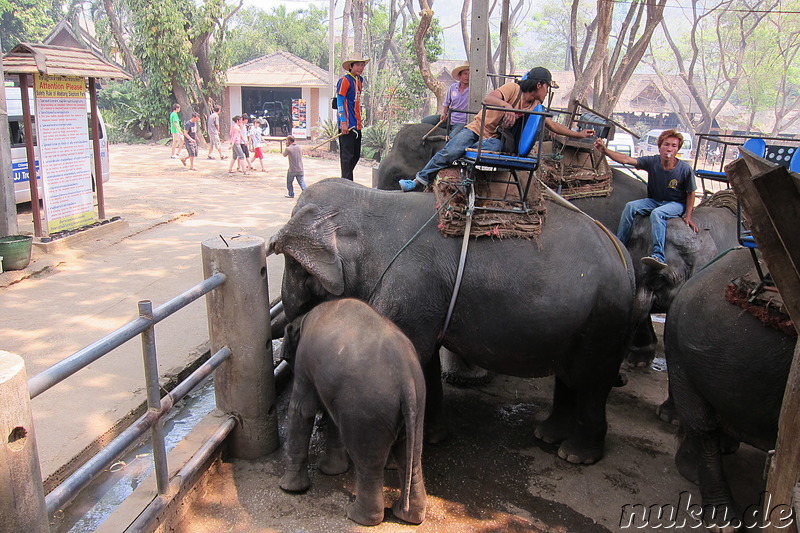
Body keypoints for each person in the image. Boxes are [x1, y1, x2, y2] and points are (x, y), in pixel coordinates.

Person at [399, 66, 596, 192]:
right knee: (451, 151)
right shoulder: (513, 89)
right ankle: (418, 180)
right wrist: (508, 107)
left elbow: (551, 124)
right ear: (539, 84)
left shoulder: (533, 107)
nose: (547, 92)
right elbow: (488, 99)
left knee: (492, 147)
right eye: (547, 87)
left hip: (494, 137)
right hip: (477, 128)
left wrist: (578, 134)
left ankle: (467, 158)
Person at [595, 129, 698, 269]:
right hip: (655, 200)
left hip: (675, 203)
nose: (669, 148)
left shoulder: (684, 169)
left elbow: (691, 192)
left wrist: (688, 215)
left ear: (677, 149)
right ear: (660, 146)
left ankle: (658, 255)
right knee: (630, 206)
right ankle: (620, 245)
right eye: (666, 144)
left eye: (673, 146)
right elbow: (626, 159)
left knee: (658, 214)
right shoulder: (653, 161)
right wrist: (605, 151)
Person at [337, 55, 369, 181]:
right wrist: (343, 122)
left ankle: (346, 180)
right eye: (358, 65)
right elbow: (340, 101)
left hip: (357, 124)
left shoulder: (359, 80)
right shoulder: (344, 80)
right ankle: (346, 182)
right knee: (347, 157)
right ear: (351, 66)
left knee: (356, 155)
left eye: (362, 65)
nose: (360, 68)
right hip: (347, 125)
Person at [422, 62, 470, 138]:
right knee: (425, 121)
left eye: (469, 74)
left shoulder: (473, 90)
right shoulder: (453, 87)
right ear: (460, 75)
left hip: (462, 121)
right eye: (465, 74)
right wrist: (444, 113)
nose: (467, 76)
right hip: (449, 117)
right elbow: (446, 103)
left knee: (452, 137)